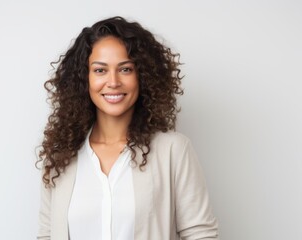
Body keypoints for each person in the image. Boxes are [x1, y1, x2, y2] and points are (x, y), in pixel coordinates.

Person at [36, 16, 219, 240]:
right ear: (84, 79)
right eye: (100, 70)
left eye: (125, 69)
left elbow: (201, 234)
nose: (113, 82)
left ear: (142, 76)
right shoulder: (60, 158)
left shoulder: (172, 150)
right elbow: (47, 234)